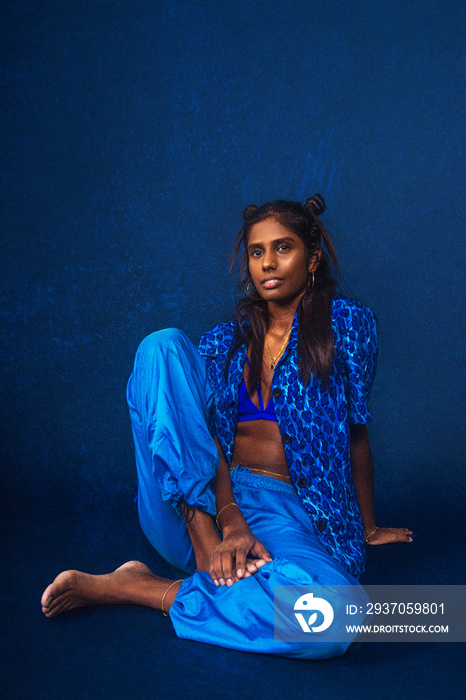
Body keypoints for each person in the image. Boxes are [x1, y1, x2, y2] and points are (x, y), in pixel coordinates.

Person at [41, 195, 412, 659]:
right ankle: (207, 557)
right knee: (162, 348)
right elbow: (201, 438)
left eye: (283, 248)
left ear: (312, 257)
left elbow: (358, 431)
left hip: (289, 516)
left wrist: (368, 527)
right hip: (196, 506)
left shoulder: (348, 326)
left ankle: (141, 588)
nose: (268, 263)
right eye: (257, 252)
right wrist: (223, 523)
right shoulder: (222, 341)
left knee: (338, 618)